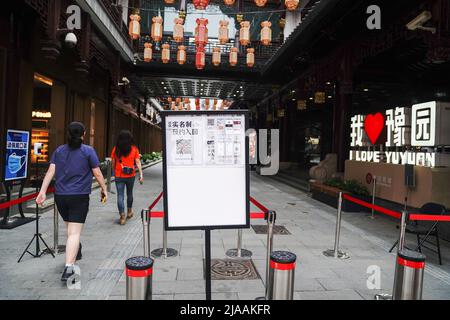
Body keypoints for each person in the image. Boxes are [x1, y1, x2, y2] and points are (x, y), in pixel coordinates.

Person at [36, 122, 108, 282]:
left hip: (61, 196)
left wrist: (42, 191)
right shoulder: (88, 151)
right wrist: (104, 188)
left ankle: (77, 250)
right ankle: (69, 266)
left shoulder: (59, 151)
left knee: (70, 229)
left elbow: (51, 171)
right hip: (79, 196)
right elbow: (97, 172)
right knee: (74, 232)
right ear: (83, 134)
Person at [111, 130, 143, 225]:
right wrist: (141, 174)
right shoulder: (134, 149)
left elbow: (113, 162)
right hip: (130, 175)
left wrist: (114, 171)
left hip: (119, 175)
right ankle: (129, 211)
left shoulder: (116, 149)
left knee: (120, 195)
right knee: (130, 193)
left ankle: (122, 216)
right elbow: (137, 162)